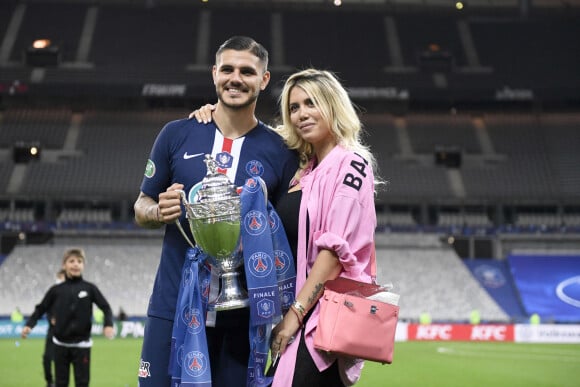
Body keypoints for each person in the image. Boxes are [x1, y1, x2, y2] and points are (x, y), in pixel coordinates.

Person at [192, 69, 380, 386]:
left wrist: (295, 315)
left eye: (311, 103)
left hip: (324, 318)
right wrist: (213, 115)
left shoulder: (352, 164)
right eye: (294, 107)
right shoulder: (304, 169)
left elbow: (333, 254)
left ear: (333, 105)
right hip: (297, 318)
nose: (301, 114)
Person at [133, 35, 298, 387]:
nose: (235, 78)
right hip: (172, 303)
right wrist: (157, 210)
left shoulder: (281, 152)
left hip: (243, 317)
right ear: (214, 74)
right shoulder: (176, 134)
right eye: (227, 69)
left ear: (263, 80)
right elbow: (140, 205)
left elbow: (287, 232)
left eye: (247, 71)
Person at [21, 248, 115, 387]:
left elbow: (106, 307)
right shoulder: (56, 290)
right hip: (60, 345)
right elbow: (41, 308)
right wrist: (30, 324)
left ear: (83, 265)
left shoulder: (89, 288)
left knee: (82, 383)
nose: (76, 264)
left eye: (79, 261)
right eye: (71, 261)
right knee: (61, 383)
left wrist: (108, 324)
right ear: (64, 265)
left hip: (82, 346)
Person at [42, 269, 66, 387]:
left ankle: (58, 382)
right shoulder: (52, 293)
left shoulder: (69, 294)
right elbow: (46, 308)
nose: (60, 280)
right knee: (47, 357)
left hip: (65, 332)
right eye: (59, 277)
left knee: (59, 359)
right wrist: (51, 318)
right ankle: (49, 381)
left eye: (62, 277)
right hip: (52, 331)